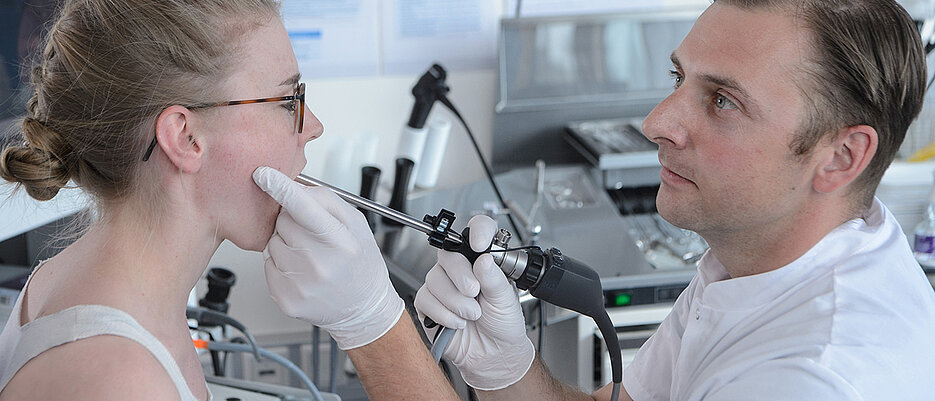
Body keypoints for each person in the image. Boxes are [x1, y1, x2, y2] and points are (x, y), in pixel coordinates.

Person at [413, 0, 935, 400]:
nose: (655, 124)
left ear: (842, 156)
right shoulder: (756, 263)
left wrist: (369, 320)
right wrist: (508, 369)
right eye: (678, 78)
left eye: (722, 101)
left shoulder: (812, 376)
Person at [0, 1, 457, 400]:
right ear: (186, 137)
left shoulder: (81, 283)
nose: (313, 125)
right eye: (287, 99)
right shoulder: (120, 377)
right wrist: (372, 320)